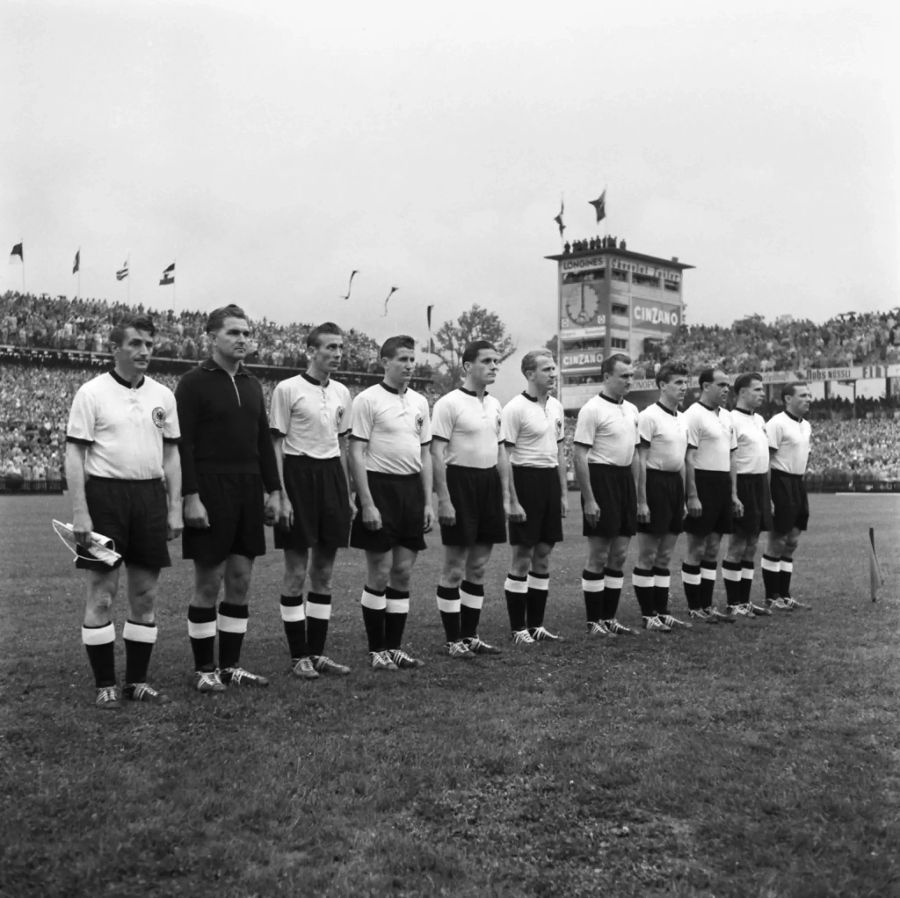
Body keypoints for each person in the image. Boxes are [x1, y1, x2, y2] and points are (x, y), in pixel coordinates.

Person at [65, 315, 182, 708]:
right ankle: (104, 684)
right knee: (102, 594)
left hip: (149, 498)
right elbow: (75, 453)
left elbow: (171, 454)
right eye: (135, 343)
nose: (144, 350)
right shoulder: (92, 392)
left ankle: (137, 681)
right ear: (116, 348)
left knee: (145, 593)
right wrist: (81, 511)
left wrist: (174, 506)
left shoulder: (163, 396)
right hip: (105, 499)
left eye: (149, 343)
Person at [176, 305, 281, 692]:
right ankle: (204, 668)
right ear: (212, 337)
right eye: (233, 332)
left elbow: (262, 444)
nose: (242, 340)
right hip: (210, 487)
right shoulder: (192, 382)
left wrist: (274, 491)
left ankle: (231, 666)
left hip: (248, 488)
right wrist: (191, 495)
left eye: (246, 333)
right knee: (209, 580)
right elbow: (183, 444)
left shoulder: (253, 383)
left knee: (240, 578)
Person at [270, 322, 353, 679]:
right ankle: (298, 655)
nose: (336, 353)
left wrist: (347, 491)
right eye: (330, 347)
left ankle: (317, 654)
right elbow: (276, 445)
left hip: (331, 475)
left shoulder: (342, 392)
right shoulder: (287, 389)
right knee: (296, 570)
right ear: (311, 351)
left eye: (339, 348)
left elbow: (344, 444)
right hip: (298, 476)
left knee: (324, 572)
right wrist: (281, 493)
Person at [349, 335, 434, 671]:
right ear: (384, 362)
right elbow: (356, 451)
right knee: (380, 572)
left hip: (411, 491)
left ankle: (395, 647)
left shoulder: (420, 402)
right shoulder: (367, 400)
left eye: (412, 360)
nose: (409, 366)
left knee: (402, 572)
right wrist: (367, 502)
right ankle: (376, 649)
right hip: (380, 487)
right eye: (401, 359)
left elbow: (425, 454)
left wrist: (427, 502)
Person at [431, 341, 506, 660]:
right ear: (467, 366)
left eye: (496, 361)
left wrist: (506, 496)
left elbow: (501, 452)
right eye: (487, 361)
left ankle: (470, 635)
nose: (493, 367)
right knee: (454, 566)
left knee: (478, 566)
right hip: (460, 483)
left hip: (488, 483)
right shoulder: (449, 403)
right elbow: (435, 452)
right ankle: (452, 640)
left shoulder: (496, 404)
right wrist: (444, 499)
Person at [500, 350, 567, 644]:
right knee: (523, 555)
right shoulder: (514, 408)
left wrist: (563, 493)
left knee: (543, 554)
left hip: (549, 480)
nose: (553, 373)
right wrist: (512, 499)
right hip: (525, 480)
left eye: (554, 368)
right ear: (529, 374)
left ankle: (536, 625)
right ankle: (518, 629)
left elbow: (560, 453)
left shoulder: (556, 407)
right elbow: (507, 456)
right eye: (546, 369)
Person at [573, 353, 641, 636]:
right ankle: (593, 622)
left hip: (624, 481)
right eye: (624, 375)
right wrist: (589, 499)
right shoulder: (591, 409)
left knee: (620, 554)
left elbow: (635, 454)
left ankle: (609, 618)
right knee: (599, 554)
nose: (629, 381)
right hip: (601, 480)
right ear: (606, 377)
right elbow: (579, 455)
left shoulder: (633, 410)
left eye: (631, 375)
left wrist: (636, 494)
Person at [633, 362, 692, 632]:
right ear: (662, 385)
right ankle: (648, 615)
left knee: (666, 554)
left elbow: (680, 461)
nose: (683, 387)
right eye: (678, 383)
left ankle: (662, 611)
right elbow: (641, 460)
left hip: (673, 486)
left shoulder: (681, 418)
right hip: (654, 483)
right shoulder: (649, 416)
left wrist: (682, 498)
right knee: (648, 552)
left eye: (685, 382)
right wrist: (642, 500)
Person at [681, 367, 738, 623]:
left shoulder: (726, 416)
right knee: (697, 546)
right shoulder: (692, 415)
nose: (727, 389)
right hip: (702, 482)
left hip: (722, 483)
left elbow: (732, 456)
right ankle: (694, 606)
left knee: (714, 547)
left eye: (728, 384)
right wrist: (692, 495)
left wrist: (734, 494)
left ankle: (707, 605)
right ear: (705, 386)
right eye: (721, 384)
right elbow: (688, 458)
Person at [722, 373, 774, 618]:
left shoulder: (760, 419)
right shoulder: (731, 419)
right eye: (757, 389)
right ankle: (734, 602)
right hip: (742, 484)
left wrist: (769, 495)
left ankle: (745, 600)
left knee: (752, 543)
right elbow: (729, 459)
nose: (762, 393)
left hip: (760, 483)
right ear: (742, 392)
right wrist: (733, 493)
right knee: (738, 543)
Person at [762, 383, 814, 610]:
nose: (808, 399)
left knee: (792, 541)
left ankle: (785, 594)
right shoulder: (776, 423)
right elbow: (766, 460)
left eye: (809, 395)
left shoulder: (807, 425)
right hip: (780, 481)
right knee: (778, 540)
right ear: (787, 399)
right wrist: (770, 495)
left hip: (797, 482)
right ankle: (772, 596)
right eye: (802, 395)